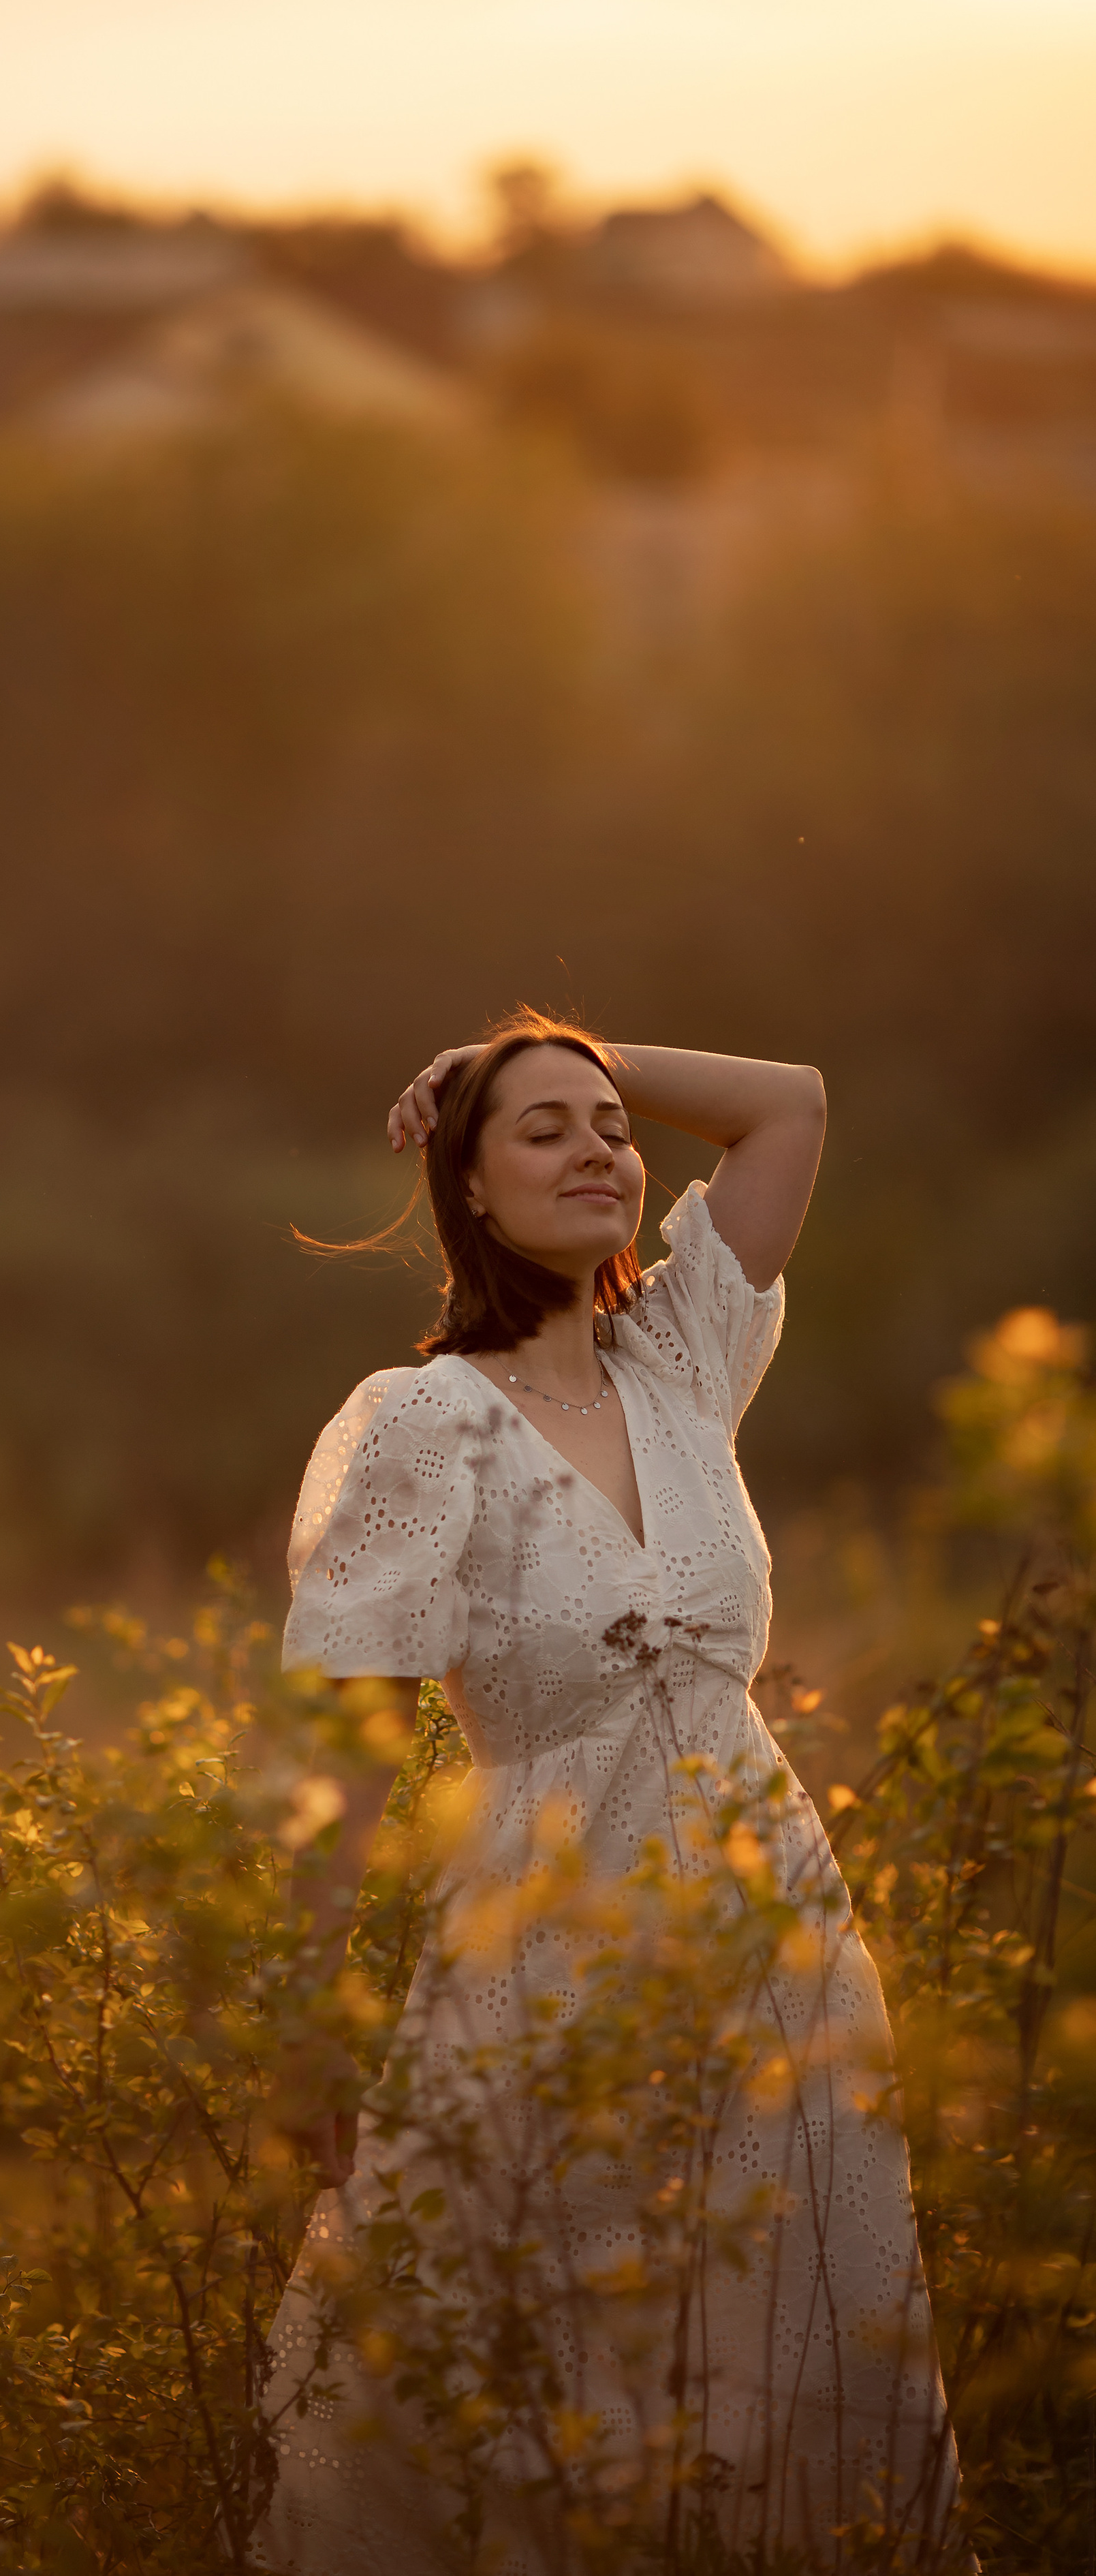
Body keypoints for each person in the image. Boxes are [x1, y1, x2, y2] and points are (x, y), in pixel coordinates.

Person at [253, 1010, 962, 2574]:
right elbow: (356, 1755)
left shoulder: (684, 1358)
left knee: (787, 2333)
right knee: (544, 2364)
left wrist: (557, 1050)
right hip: (543, 1934)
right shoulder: (423, 1420)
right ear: (468, 1194)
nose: (595, 1149)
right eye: (542, 1130)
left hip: (770, 1932)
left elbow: (789, 1102)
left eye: (610, 1129)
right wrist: (316, 2014)